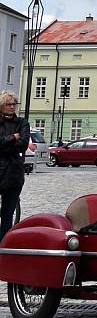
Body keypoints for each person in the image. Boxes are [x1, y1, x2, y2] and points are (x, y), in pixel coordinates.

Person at [0, 91, 30, 242]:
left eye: (14, 104)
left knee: (7, 213)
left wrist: (5, 143)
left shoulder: (22, 123)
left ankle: (4, 243)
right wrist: (13, 137)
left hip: (14, 174)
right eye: (8, 104)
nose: (12, 107)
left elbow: (23, 145)